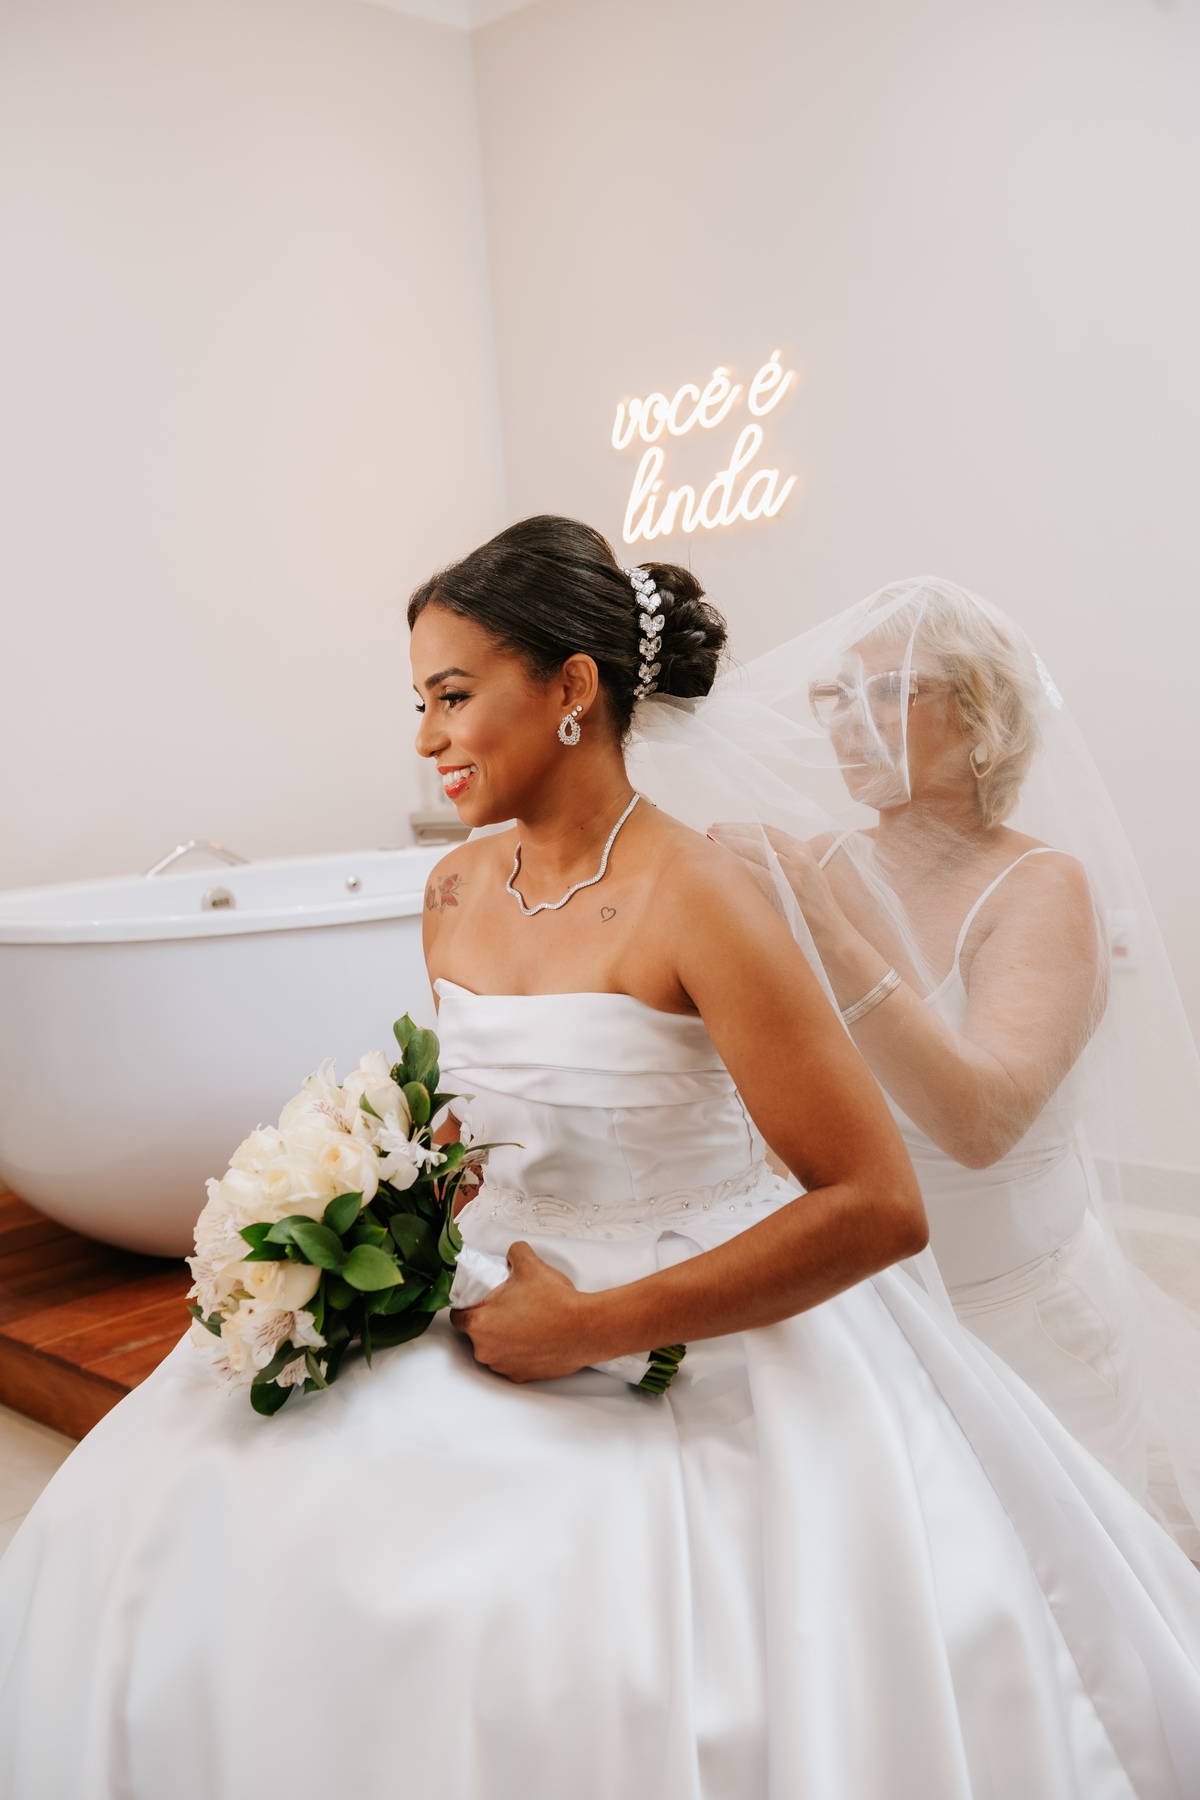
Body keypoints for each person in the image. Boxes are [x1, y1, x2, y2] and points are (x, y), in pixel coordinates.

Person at [2, 523, 1199, 1800]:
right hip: (483, 1294)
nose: (427, 737)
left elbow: (880, 1203)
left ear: (572, 689)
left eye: (454, 696)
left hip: (674, 1321)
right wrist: (376, 1207)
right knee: (171, 1510)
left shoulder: (701, 894)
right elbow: (483, 1124)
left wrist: (595, 1326)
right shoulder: (455, 890)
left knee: (515, 1625)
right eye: (419, 704)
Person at [691, 579, 1200, 1555]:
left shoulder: (1041, 888)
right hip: (866, 1314)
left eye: (890, 691)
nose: (849, 723)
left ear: (981, 719)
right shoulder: (816, 864)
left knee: (1057, 1588)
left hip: (1020, 1333)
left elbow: (980, 1122)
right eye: (837, 695)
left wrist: (828, 933)